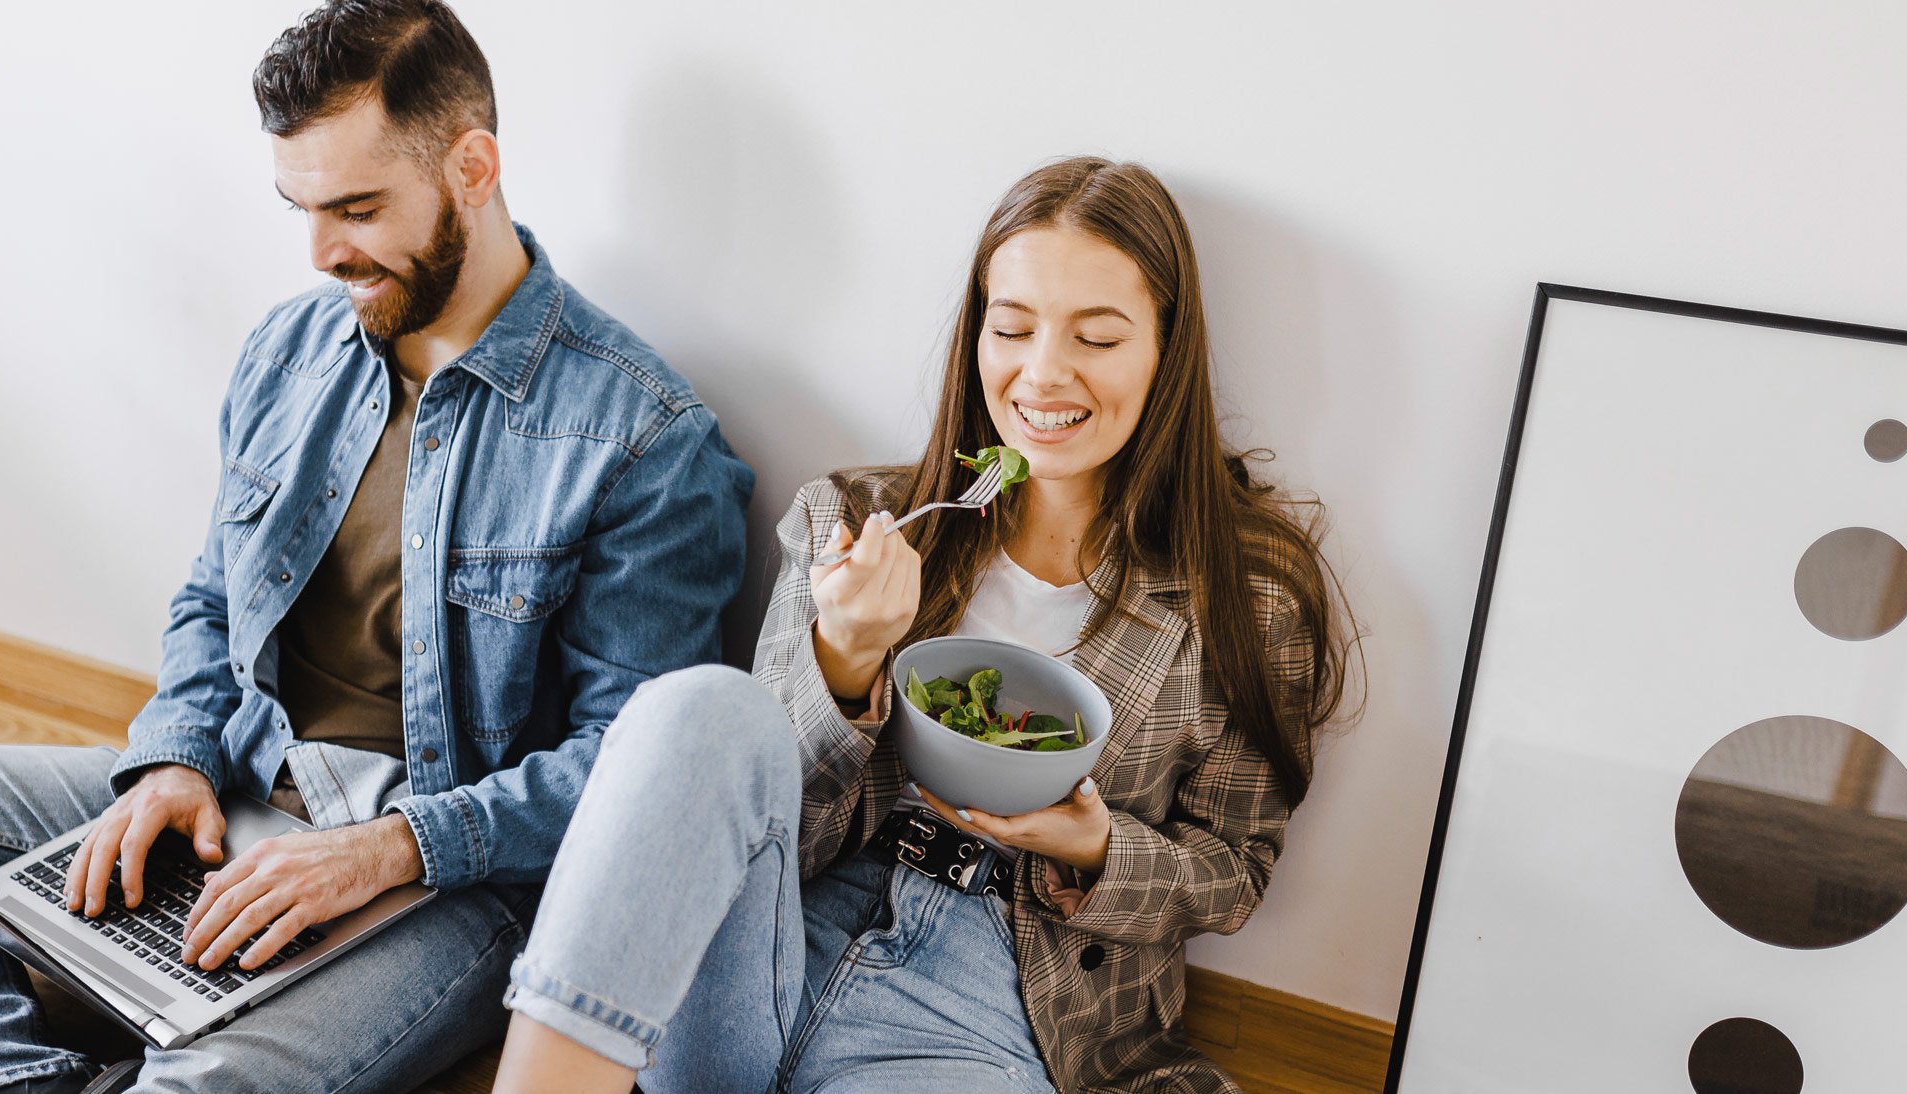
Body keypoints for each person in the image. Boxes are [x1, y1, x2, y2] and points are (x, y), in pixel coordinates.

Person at [0, 3, 753, 1091]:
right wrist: (177, 755)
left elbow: (628, 776)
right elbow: (213, 596)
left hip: (444, 884)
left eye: (357, 209)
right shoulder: (291, 350)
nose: (325, 253)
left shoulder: (644, 439)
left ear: (472, 168)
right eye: (303, 209)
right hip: (240, 787)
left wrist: (386, 850)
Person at [486, 156, 1358, 1094]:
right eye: (1012, 328)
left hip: (992, 1001)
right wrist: (845, 655)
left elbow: (1233, 866)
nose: (1042, 373)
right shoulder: (852, 523)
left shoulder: (1250, 595)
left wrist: (1096, 847)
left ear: (1166, 351)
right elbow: (772, 817)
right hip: (777, 941)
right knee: (696, 707)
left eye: (1098, 338)